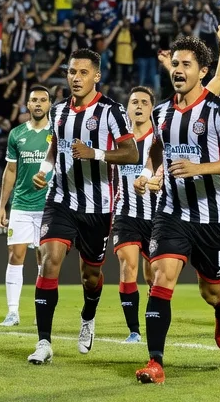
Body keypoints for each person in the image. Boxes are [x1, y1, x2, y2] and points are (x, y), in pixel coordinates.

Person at [135, 36, 220, 384]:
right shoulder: (161, 112)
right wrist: (150, 172)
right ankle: (155, 363)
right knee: (161, 278)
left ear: (203, 71)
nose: (178, 70)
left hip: (211, 219)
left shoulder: (219, 110)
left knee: (210, 290)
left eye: (186, 65)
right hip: (171, 212)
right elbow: (157, 146)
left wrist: (198, 168)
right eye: (175, 63)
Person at [25, 49, 139, 364]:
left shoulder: (111, 111)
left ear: (96, 76)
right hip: (60, 200)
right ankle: (44, 343)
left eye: (83, 73)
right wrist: (44, 173)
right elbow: (55, 148)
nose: (76, 78)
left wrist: (96, 154)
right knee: (49, 261)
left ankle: (88, 316)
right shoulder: (59, 111)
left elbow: (131, 153)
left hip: (98, 207)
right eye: (72, 72)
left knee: (91, 275)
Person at [0, 86, 53, 326]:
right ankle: (12, 312)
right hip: (21, 204)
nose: (38, 104)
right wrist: (2, 206)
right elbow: (10, 171)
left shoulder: (57, 134)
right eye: (34, 100)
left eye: (43, 100)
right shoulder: (17, 134)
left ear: (50, 104)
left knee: (44, 259)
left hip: (49, 206)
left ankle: (41, 307)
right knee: (15, 255)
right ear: (27, 105)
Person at [114, 85, 159, 343]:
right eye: (134, 102)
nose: (139, 106)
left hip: (157, 217)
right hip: (125, 213)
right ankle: (134, 330)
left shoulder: (159, 140)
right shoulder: (117, 141)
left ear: (151, 108)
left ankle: (153, 315)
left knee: (152, 274)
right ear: (127, 108)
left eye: (144, 102)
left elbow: (166, 174)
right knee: (127, 266)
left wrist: (157, 182)